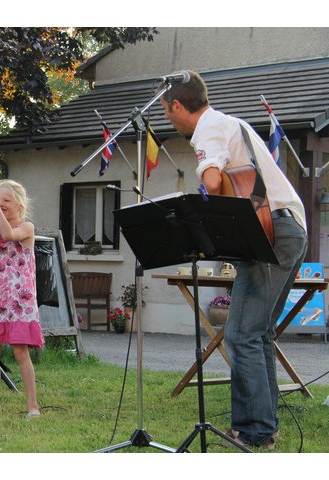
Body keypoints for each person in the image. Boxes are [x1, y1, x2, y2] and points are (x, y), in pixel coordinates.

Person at [160, 71, 307, 450]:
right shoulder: (232, 122)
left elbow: (211, 183)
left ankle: (255, 433)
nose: (167, 119)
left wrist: (196, 202)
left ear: (177, 105)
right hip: (289, 228)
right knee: (258, 334)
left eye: (166, 111)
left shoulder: (208, 128)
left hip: (269, 231)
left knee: (241, 333)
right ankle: (262, 428)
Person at [0, 179, 45, 417]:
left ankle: (33, 405)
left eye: (6, 200)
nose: (1, 204)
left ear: (19, 205)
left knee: (19, 350)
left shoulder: (27, 228)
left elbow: (8, 233)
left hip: (18, 298)